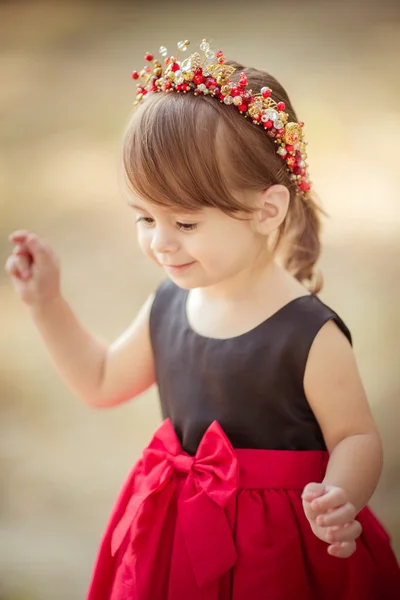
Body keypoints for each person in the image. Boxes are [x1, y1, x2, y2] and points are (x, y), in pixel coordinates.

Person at [5, 38, 400, 600]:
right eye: (144, 217)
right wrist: (47, 306)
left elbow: (357, 436)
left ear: (267, 211)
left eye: (185, 224)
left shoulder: (307, 334)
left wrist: (340, 496)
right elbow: (99, 381)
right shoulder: (168, 305)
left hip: (278, 547)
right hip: (177, 537)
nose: (160, 243)